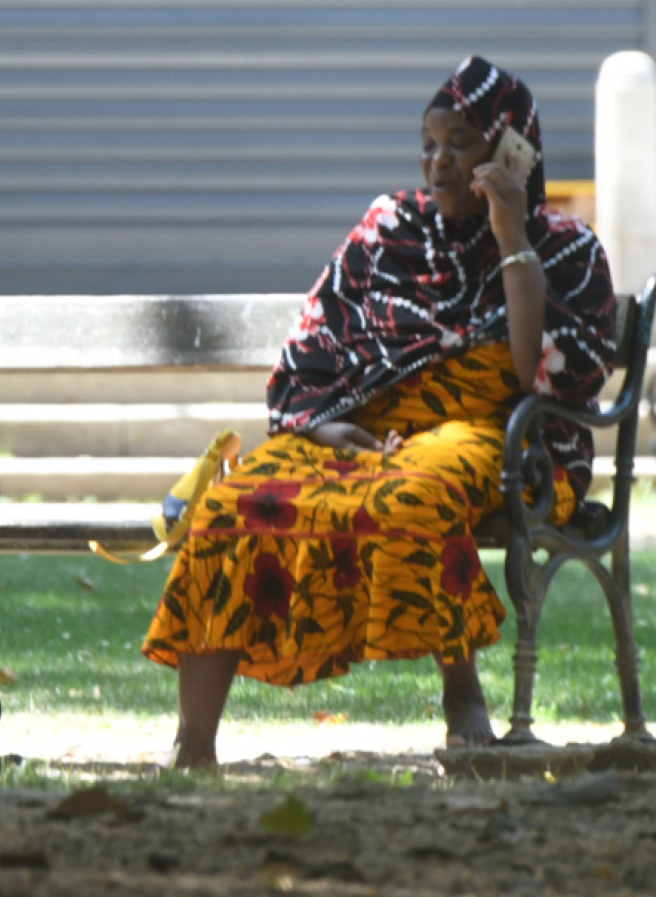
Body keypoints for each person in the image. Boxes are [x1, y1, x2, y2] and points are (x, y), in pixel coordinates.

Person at [141, 57, 617, 767]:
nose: (439, 161)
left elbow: (543, 377)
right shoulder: (388, 226)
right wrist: (323, 425)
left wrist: (513, 238)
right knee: (229, 505)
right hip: (364, 431)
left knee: (413, 496)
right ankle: (194, 742)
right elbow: (314, 340)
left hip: (498, 435)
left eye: (461, 142)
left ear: (512, 149)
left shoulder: (565, 247)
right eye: (429, 143)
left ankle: (463, 696)